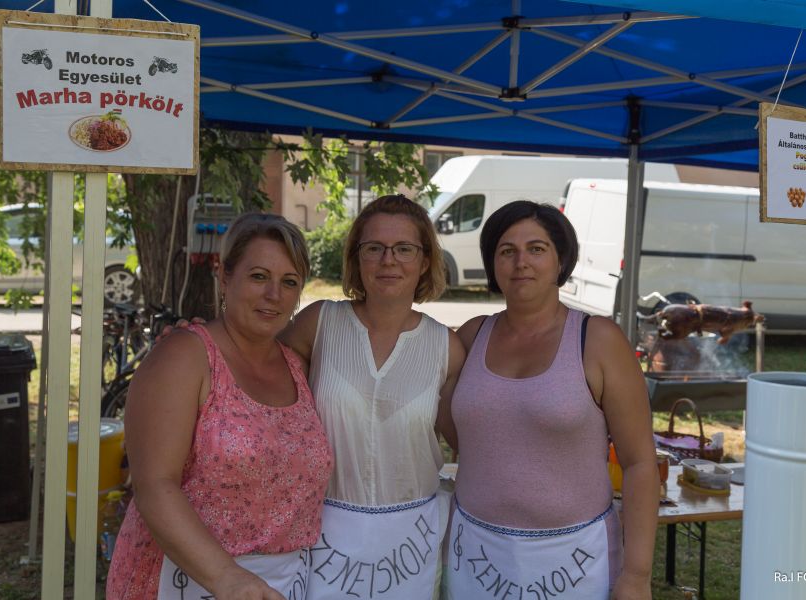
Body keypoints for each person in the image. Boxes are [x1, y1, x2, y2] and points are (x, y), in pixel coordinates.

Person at [106, 213, 334, 600]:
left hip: (281, 584)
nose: (274, 294)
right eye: (259, 276)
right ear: (224, 276)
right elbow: (154, 486)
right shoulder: (184, 356)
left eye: (289, 282)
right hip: (187, 579)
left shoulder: (298, 366)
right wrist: (227, 577)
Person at [443, 201, 658, 600]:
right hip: (475, 552)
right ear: (492, 264)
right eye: (507, 251)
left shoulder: (598, 340)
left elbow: (640, 462)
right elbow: (463, 435)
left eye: (536, 249)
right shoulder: (470, 337)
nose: (521, 262)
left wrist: (637, 575)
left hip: (577, 558)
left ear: (561, 260)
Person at [280, 194, 466, 600]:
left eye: (404, 249)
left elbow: (471, 444)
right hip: (322, 529)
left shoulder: (446, 348)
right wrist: (204, 342)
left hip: (410, 538)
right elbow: (249, 369)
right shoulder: (318, 324)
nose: (388, 260)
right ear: (356, 257)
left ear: (424, 260)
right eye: (374, 248)